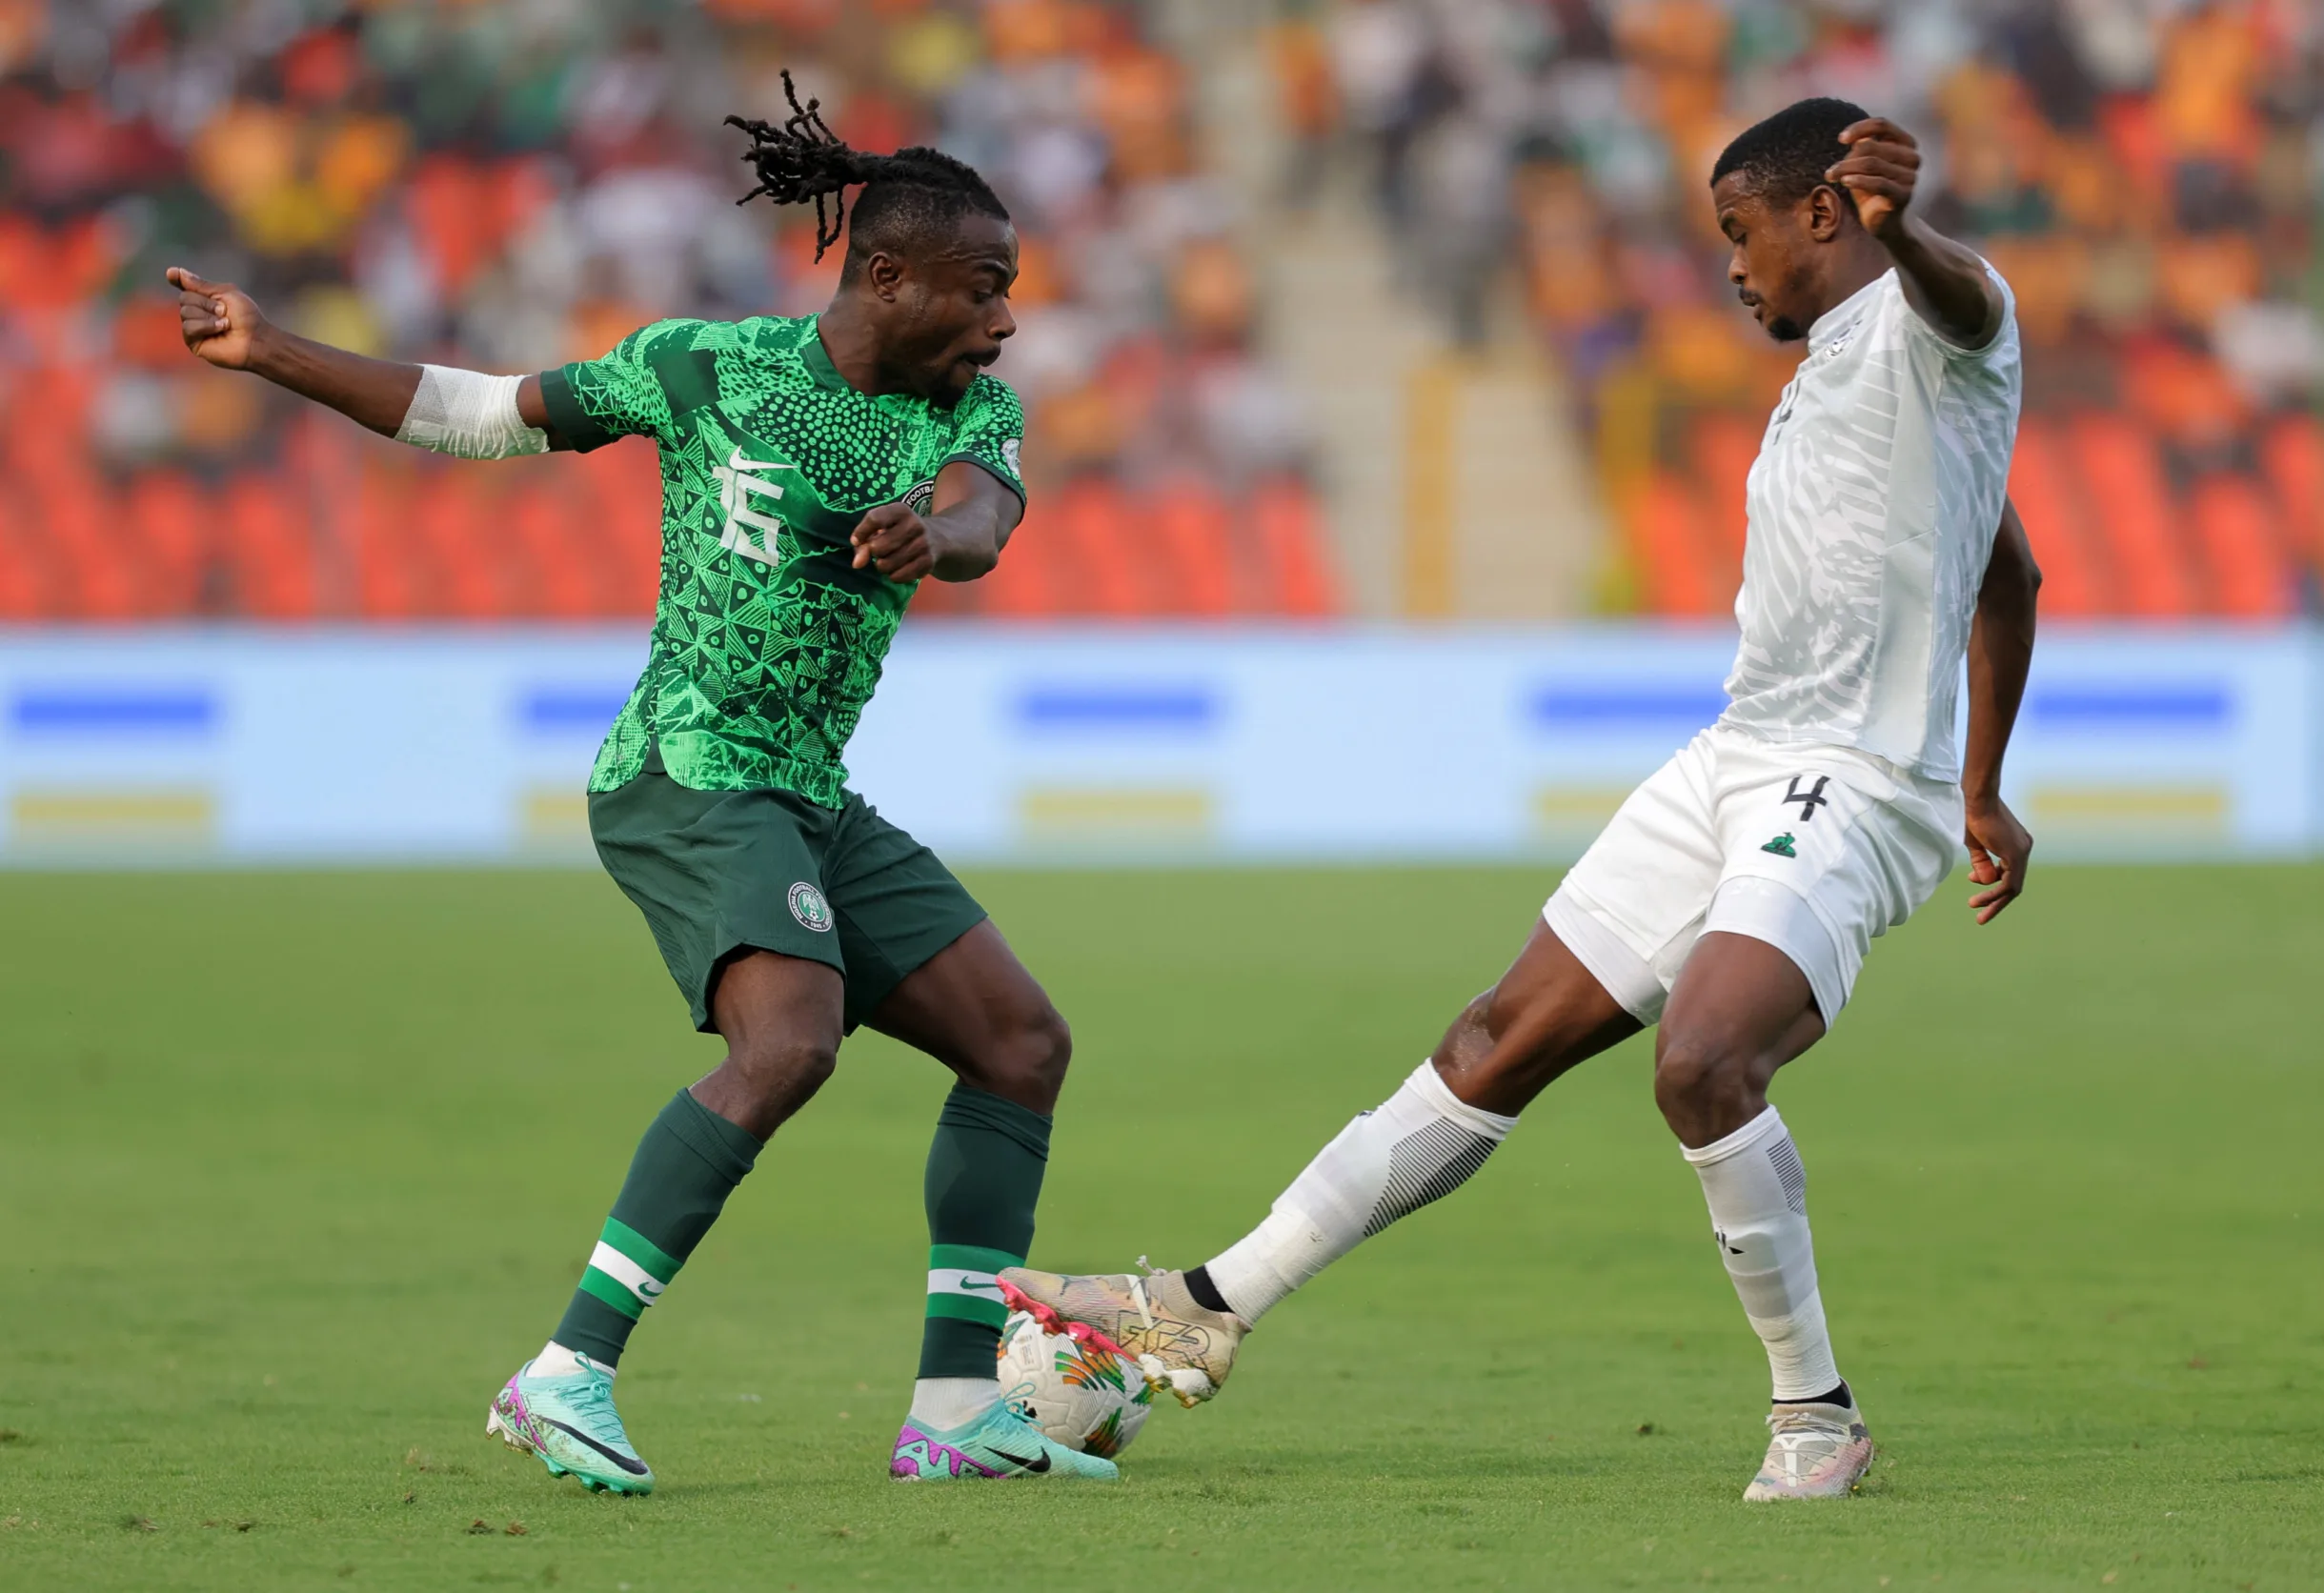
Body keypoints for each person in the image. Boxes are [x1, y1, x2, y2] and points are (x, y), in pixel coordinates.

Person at [1002, 98, 2040, 1502]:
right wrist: (1988, 786)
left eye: (1742, 235)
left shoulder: (1938, 326)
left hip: (1852, 777)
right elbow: (2006, 574)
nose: (1729, 268)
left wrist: (1904, 227)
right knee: (1494, 1038)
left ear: (1824, 216)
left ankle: (1817, 1414)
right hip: (1738, 754)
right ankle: (1206, 1299)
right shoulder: (1827, 381)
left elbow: (1971, 301)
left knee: (1704, 1064)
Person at [169, 74, 1116, 1491]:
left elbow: (984, 520)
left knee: (1021, 1047)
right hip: (684, 768)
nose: (1005, 319)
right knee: (789, 1044)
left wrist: (934, 529)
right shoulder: (704, 367)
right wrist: (272, 349)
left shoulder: (968, 418)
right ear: (887, 274)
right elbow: (487, 414)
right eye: (983, 290)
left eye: (1009, 294)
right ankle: (563, 1377)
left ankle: (956, 1412)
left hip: (802, 790)